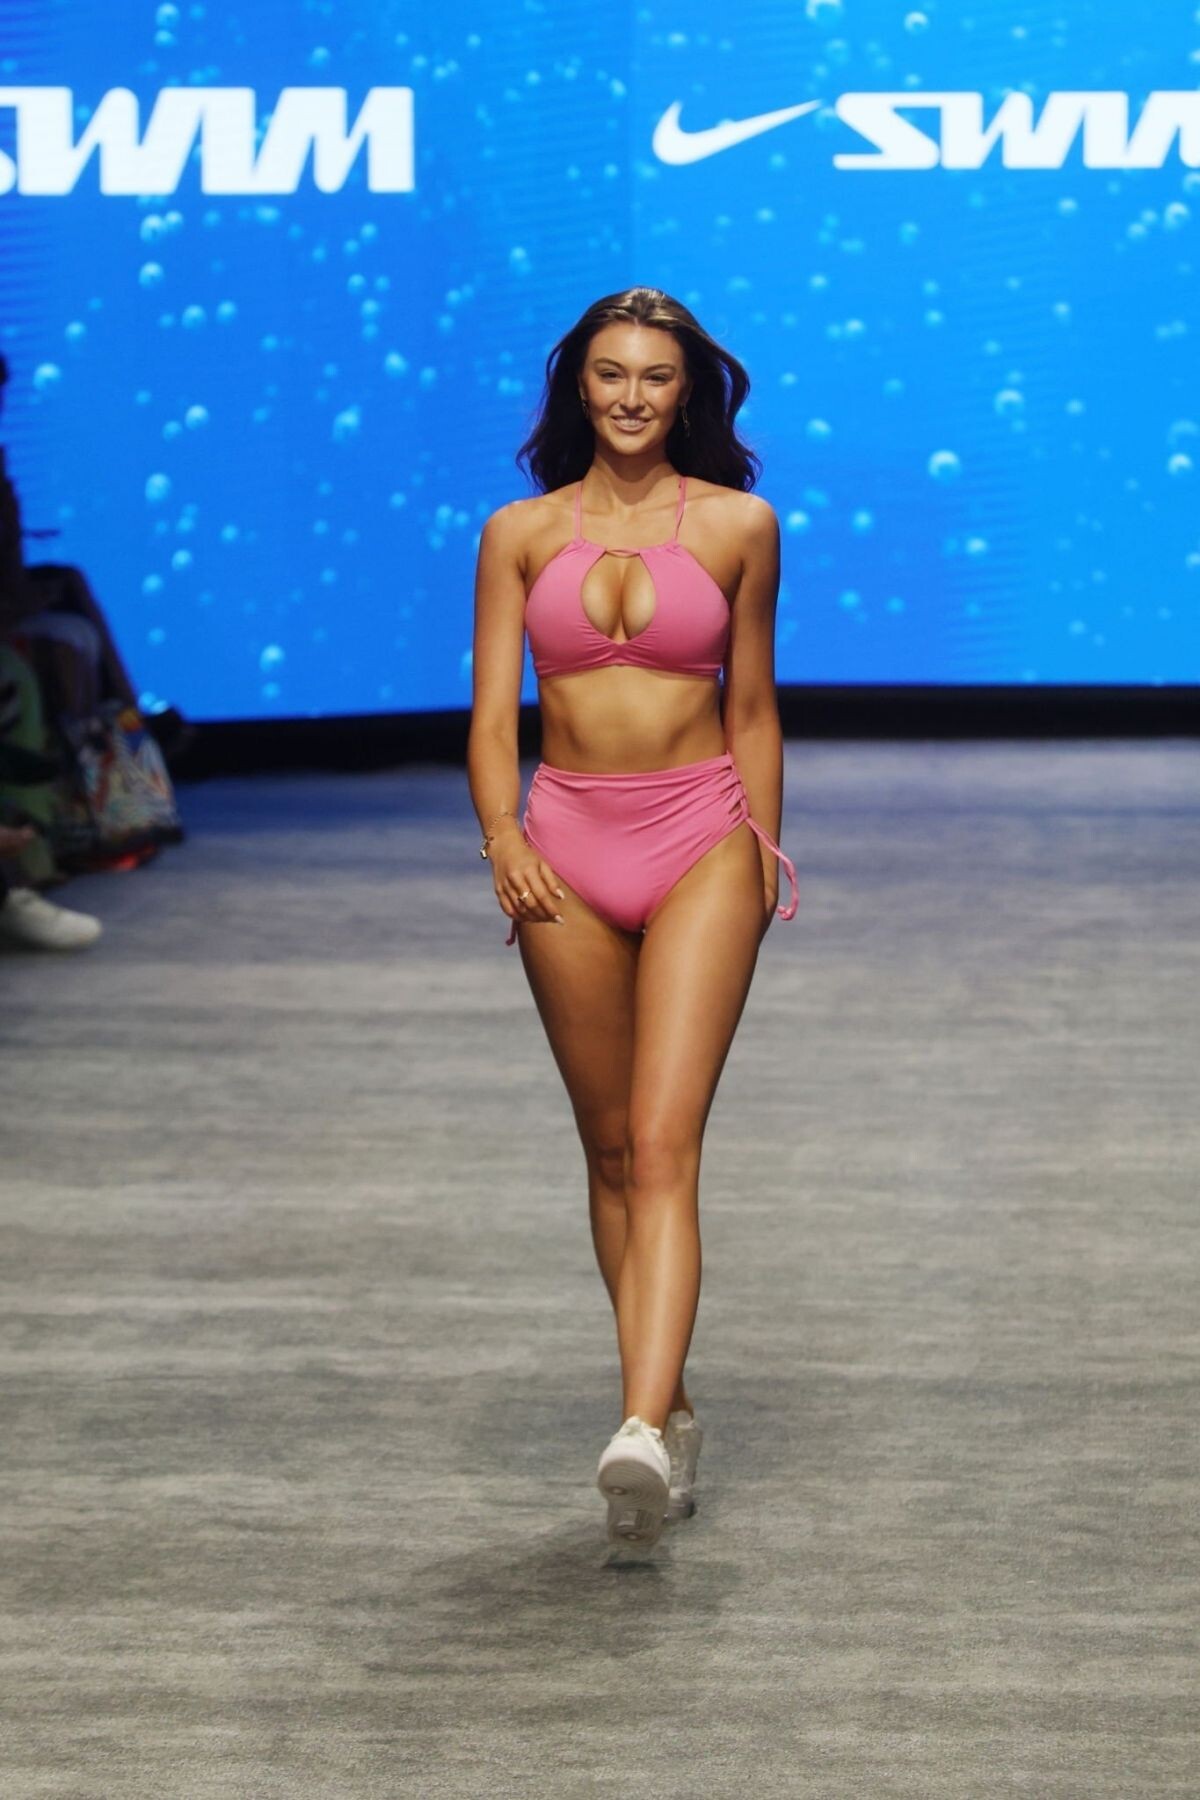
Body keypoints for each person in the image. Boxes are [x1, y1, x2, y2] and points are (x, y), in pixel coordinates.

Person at [467, 286, 799, 1553]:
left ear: (687, 392)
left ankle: (642, 1428)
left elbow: (752, 706)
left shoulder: (739, 526)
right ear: (579, 386)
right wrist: (503, 838)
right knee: (607, 1148)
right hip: (562, 845)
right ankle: (672, 1405)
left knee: (663, 1142)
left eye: (656, 377)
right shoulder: (517, 534)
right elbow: (493, 718)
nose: (631, 397)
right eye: (610, 374)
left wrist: (762, 852)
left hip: (701, 835)